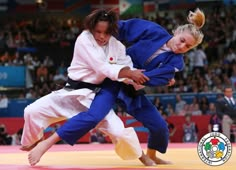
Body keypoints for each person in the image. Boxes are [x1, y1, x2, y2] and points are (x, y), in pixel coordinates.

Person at [28, 8, 205, 166]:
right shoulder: (154, 31)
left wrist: (143, 78)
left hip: (132, 87)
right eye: (182, 40)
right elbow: (124, 28)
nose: (181, 46)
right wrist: (98, 29)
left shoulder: (176, 62)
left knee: (160, 126)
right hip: (112, 80)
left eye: (187, 46)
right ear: (176, 32)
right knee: (94, 116)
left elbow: (160, 78)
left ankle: (152, 155)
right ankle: (46, 143)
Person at [22, 9, 153, 166]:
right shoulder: (84, 39)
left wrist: (139, 79)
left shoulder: (117, 47)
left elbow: (127, 69)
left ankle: (141, 155)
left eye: (106, 32)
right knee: (31, 111)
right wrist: (129, 73)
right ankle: (34, 141)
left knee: (119, 131)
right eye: (98, 31)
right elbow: (102, 67)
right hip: (71, 93)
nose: (102, 36)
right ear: (91, 28)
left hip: (95, 98)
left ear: (112, 31)